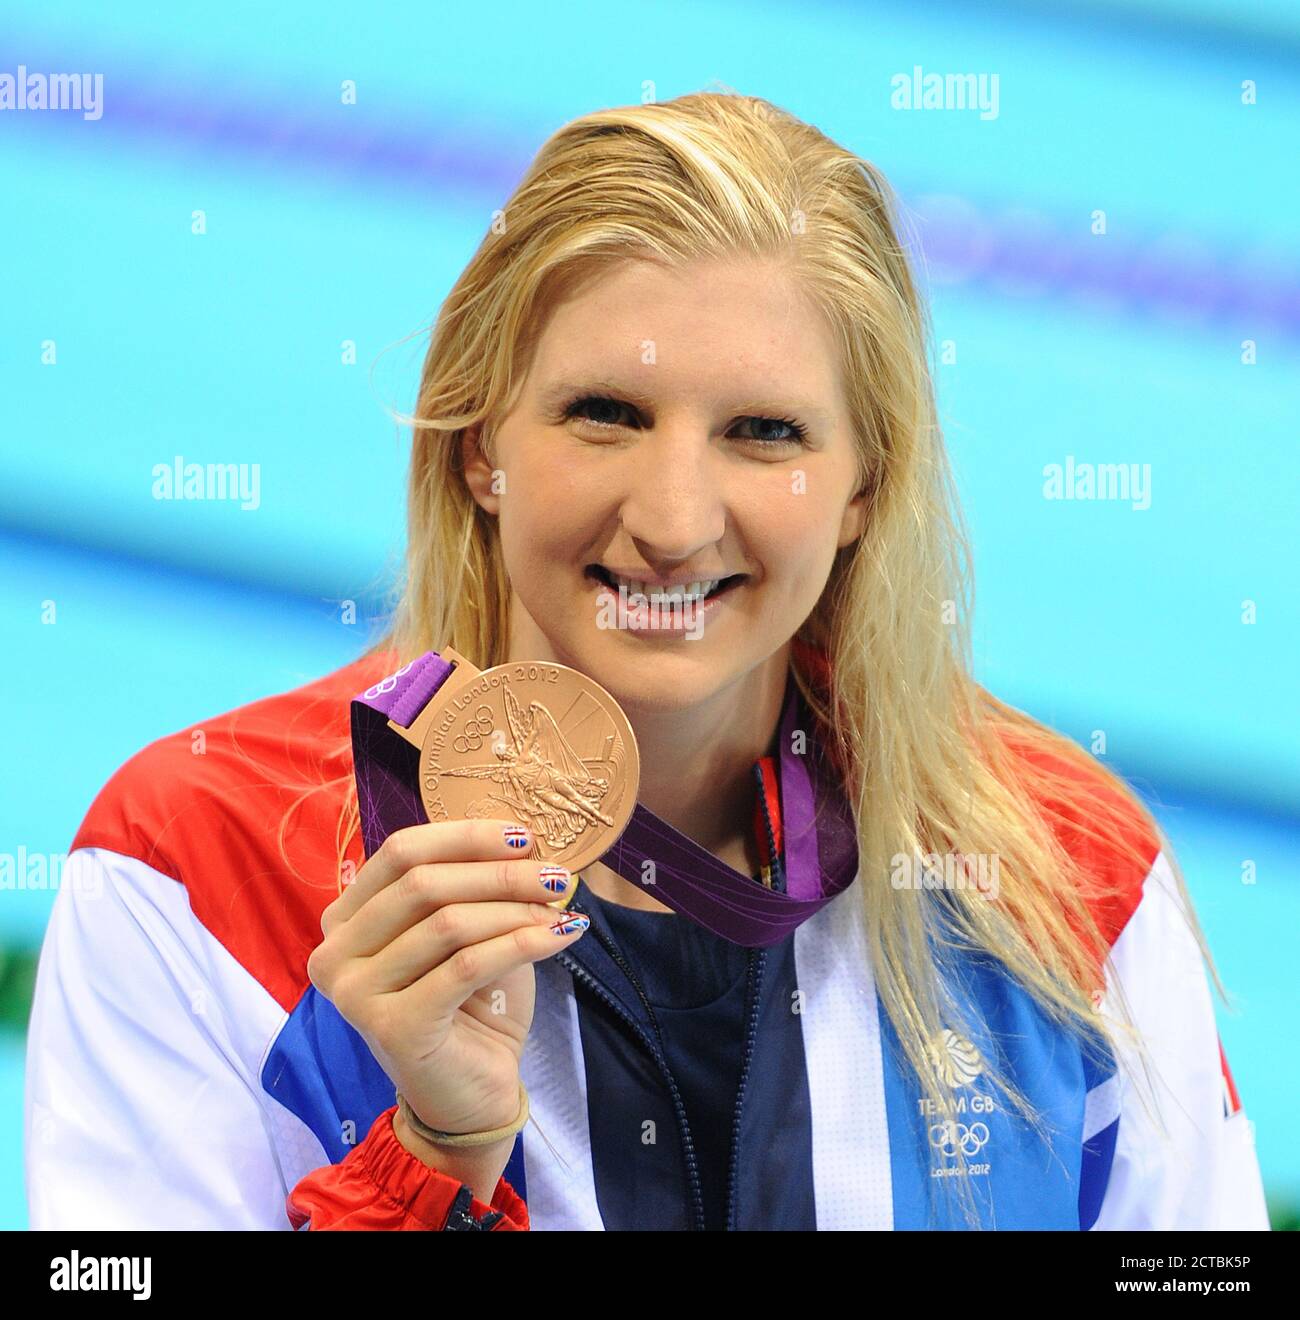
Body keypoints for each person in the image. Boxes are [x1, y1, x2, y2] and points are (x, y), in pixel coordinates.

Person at [24, 91, 1269, 1231]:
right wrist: (430, 1160)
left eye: (763, 432)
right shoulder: (201, 865)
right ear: (478, 446)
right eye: (605, 415)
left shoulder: (1063, 879)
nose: (673, 520)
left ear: (859, 491)